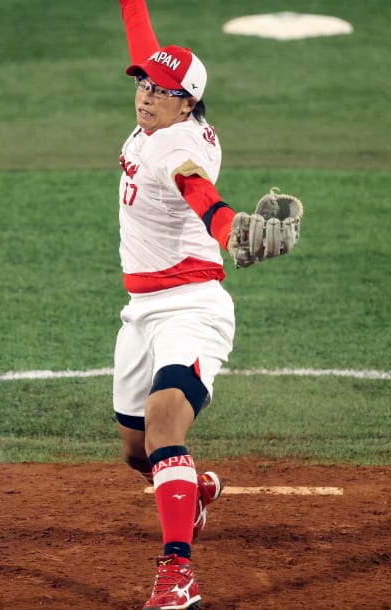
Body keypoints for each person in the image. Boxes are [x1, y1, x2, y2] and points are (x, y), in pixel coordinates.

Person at [111, 1, 275, 608]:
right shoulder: (160, 112)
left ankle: (178, 574)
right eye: (144, 83)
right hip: (140, 314)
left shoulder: (181, 145)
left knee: (163, 426)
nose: (146, 94)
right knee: (138, 453)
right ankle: (196, 491)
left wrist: (232, 229)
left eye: (162, 89)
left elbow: (198, 191)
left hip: (192, 308)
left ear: (188, 102)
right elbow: (142, 41)